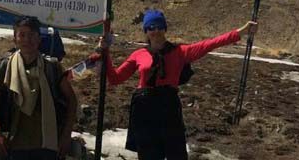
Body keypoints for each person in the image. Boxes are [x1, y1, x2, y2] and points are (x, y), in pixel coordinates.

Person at [98, 9, 258, 160]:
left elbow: (211, 44)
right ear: (146, 31)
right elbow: (115, 79)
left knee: (177, 154)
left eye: (160, 26)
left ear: (165, 29)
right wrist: (106, 53)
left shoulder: (180, 52)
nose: (156, 31)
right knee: (148, 155)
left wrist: (241, 31)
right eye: (151, 27)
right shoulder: (138, 54)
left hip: (169, 108)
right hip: (143, 109)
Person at [0, 16, 77, 160]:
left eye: (31, 35)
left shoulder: (52, 67)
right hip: (13, 144)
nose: (26, 40)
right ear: (15, 40)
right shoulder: (6, 67)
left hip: (46, 145)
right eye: (22, 35)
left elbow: (71, 100)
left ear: (39, 39)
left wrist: (66, 135)